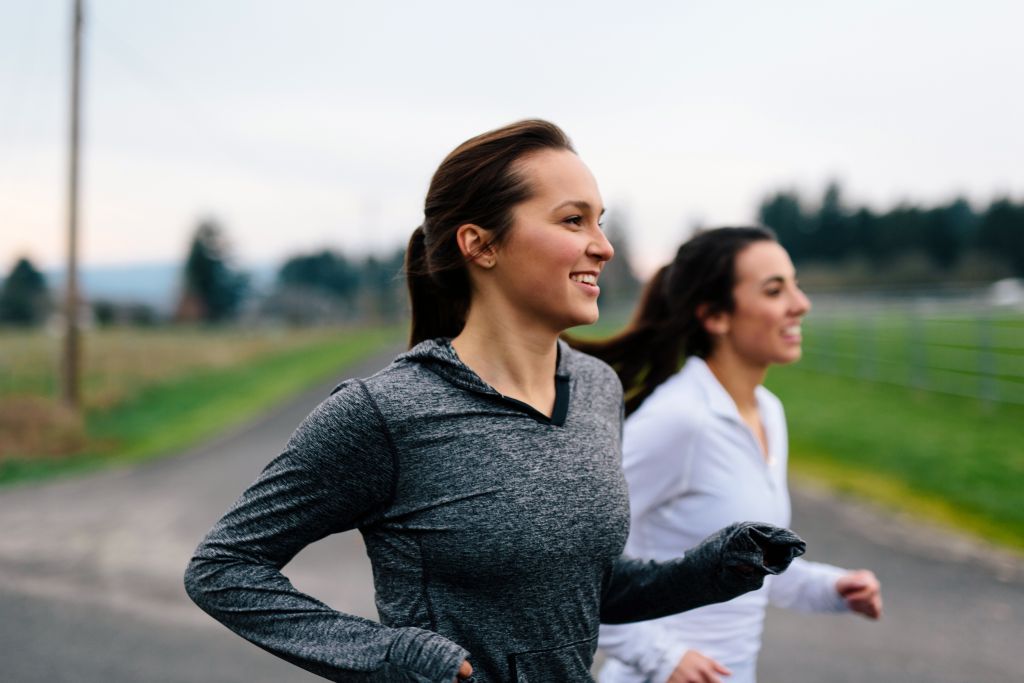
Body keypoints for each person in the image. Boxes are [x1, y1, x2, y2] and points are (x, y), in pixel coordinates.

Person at [183, 123, 807, 683]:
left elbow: (581, 588)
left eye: (601, 220)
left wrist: (715, 566)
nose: (604, 246)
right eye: (573, 221)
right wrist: (396, 656)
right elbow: (224, 568)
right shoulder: (387, 411)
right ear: (481, 245)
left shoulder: (596, 389)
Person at [574, 227, 883, 683]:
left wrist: (832, 588)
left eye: (795, 285)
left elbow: (750, 564)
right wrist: (661, 657)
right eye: (775, 290)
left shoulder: (769, 412)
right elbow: (576, 568)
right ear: (715, 315)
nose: (801, 304)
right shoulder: (680, 419)